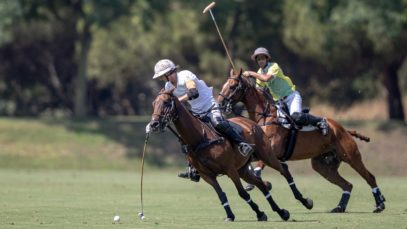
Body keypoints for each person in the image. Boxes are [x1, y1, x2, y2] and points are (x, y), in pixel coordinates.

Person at [146, 59, 254, 182]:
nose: (161, 79)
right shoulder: (168, 86)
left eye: (162, 76)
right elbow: (166, 106)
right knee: (186, 136)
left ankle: (242, 144)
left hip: (210, 105)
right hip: (196, 111)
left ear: (170, 73)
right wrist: (152, 122)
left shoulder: (185, 75)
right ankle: (193, 169)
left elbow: (193, 93)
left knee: (218, 123)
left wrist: (177, 101)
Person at [242, 47, 329, 189]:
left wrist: (250, 73)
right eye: (258, 59)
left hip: (291, 96)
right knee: (274, 125)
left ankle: (320, 121)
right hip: (279, 103)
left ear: (267, 58)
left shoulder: (273, 67)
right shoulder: (259, 72)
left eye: (262, 58)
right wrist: (246, 83)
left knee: (296, 116)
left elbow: (266, 79)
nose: (260, 60)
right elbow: (259, 90)